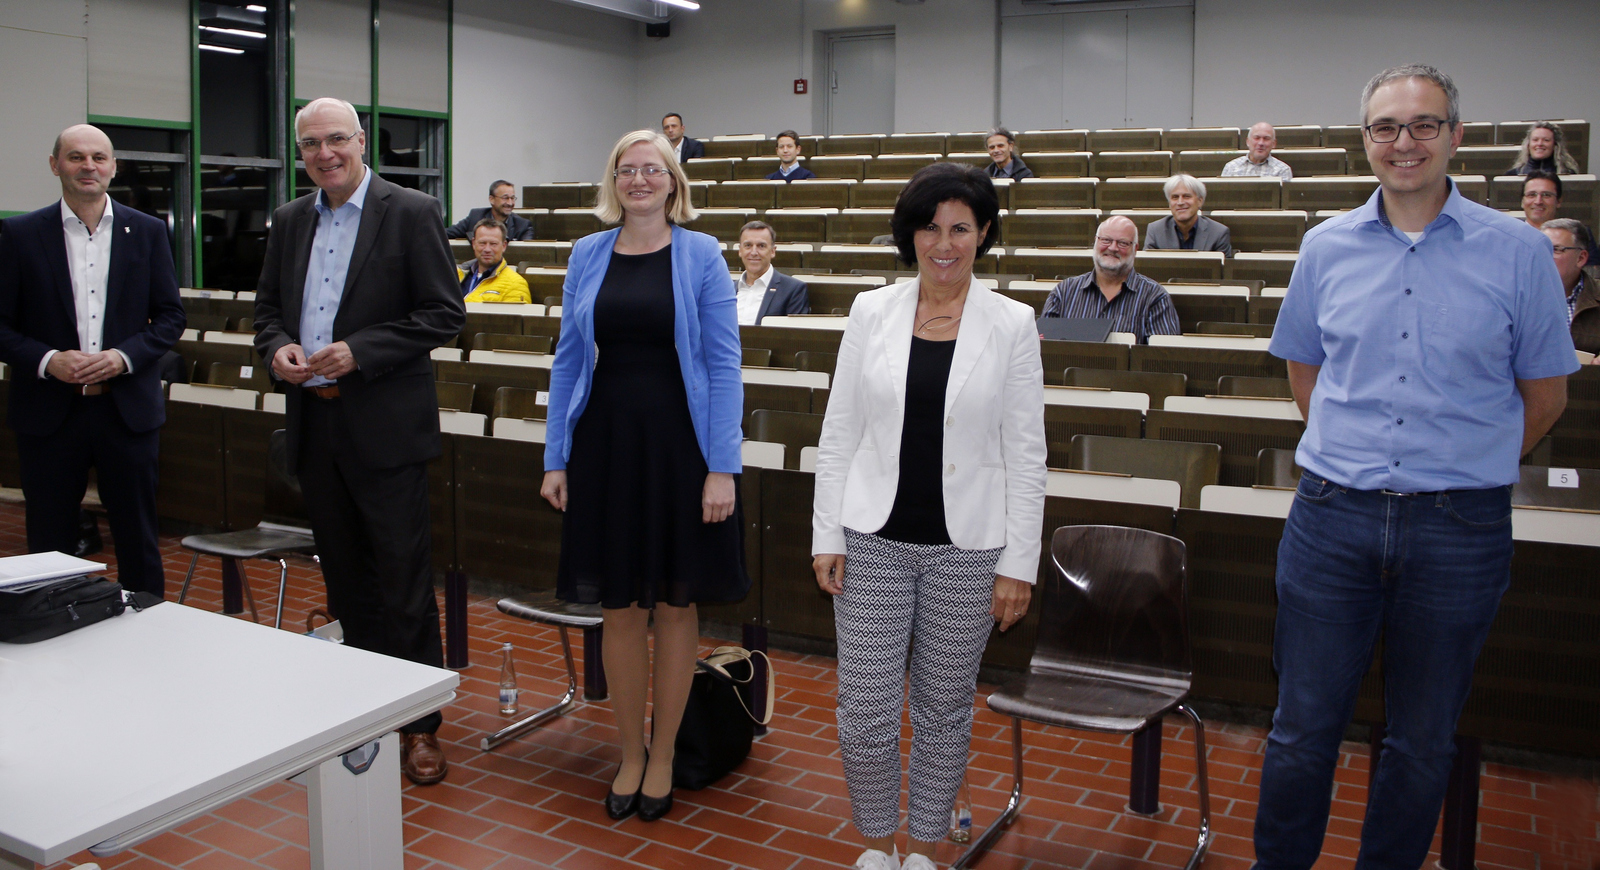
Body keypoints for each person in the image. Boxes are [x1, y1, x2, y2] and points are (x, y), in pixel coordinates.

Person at [1255, 65, 1576, 870]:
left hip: (1460, 528)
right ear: (1365, 141)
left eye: (1424, 125)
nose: (1405, 142)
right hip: (1333, 515)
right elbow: (1306, 373)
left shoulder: (1518, 252)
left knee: (1422, 740)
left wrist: (1464, 464)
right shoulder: (1324, 246)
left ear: (1456, 137)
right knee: (1300, 731)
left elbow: (1545, 396)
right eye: (1386, 127)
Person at [811, 162, 1046, 870]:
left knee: (944, 711)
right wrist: (826, 533)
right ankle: (878, 846)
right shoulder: (870, 310)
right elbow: (839, 431)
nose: (944, 244)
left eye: (961, 229)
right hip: (872, 538)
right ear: (910, 235)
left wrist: (1018, 564)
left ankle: (922, 849)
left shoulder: (1012, 324)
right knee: (867, 712)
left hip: (969, 550)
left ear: (983, 236)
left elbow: (1026, 453)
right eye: (930, 227)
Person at [253, 97, 465, 786]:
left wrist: (361, 351)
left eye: (336, 139)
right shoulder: (289, 220)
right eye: (310, 143)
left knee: (402, 583)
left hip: (384, 428)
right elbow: (265, 314)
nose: (324, 153)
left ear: (361, 140)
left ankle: (421, 728)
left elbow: (443, 313)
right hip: (316, 427)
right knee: (346, 579)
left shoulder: (409, 211)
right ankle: (366, 712)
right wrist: (280, 348)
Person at [540, 129, 747, 824]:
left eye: (651, 169)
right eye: (627, 169)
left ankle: (663, 756)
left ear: (672, 181)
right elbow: (568, 361)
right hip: (604, 446)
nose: (639, 179)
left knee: (677, 604)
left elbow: (723, 366)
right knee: (620, 606)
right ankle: (630, 751)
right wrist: (555, 456)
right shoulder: (586, 253)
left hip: (680, 451)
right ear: (613, 180)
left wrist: (723, 468)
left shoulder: (701, 255)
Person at [0, 124, 185, 597]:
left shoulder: (145, 231)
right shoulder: (19, 234)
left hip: (126, 411)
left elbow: (169, 318)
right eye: (77, 157)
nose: (89, 167)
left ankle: (146, 626)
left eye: (99, 158)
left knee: (138, 539)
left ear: (113, 166)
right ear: (55, 164)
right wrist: (47, 360)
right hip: (48, 412)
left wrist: (123, 358)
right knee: (49, 541)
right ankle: (52, 628)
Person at [1042, 216, 1181, 344]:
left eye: (1123, 243)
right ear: (1095, 241)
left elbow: (1163, 358)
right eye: (1106, 240)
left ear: (1135, 249)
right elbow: (1044, 349)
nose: (1113, 248)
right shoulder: (1063, 292)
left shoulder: (1156, 297)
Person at [1541, 218, 1600, 358]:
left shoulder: (1596, 295)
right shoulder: (1517, 296)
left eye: (1556, 249)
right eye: (1542, 249)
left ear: (1581, 258)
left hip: (1586, 378)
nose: (1545, 256)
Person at [735, 220, 808, 325]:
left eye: (761, 246)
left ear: (773, 251)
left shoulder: (793, 290)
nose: (754, 252)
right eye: (748, 245)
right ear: (740, 251)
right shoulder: (727, 289)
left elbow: (795, 336)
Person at [1145, 174, 1233, 256]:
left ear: (1200, 201)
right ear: (1169, 203)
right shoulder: (1155, 230)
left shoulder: (1219, 233)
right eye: (1175, 197)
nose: (1180, 202)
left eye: (1187, 196)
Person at [458, 219, 533, 303]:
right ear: (473, 244)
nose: (487, 249)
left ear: (504, 246)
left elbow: (513, 316)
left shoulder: (516, 284)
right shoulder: (455, 274)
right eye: (482, 243)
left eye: (493, 244)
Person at [445, 180, 533, 241]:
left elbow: (527, 253)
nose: (510, 203)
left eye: (513, 198)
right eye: (505, 198)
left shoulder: (523, 225)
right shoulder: (475, 217)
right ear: (492, 199)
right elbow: (446, 234)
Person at [1223, 122, 1294, 180]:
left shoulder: (1283, 170)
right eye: (1256, 138)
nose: (1261, 143)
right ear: (1248, 141)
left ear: (1273, 144)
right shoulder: (1231, 167)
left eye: (1266, 138)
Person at [1507, 121, 1580, 176]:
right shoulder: (1512, 175)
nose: (1540, 144)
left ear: (1555, 145)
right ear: (1528, 145)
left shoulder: (1568, 174)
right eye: (1535, 140)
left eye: (1546, 140)